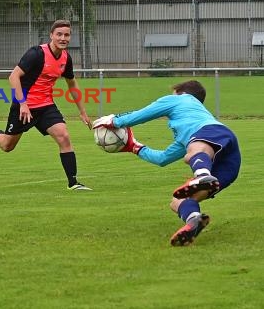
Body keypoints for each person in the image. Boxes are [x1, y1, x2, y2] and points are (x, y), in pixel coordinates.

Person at [92, 80, 241, 246]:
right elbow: (162, 158)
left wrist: (115, 121)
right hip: (230, 164)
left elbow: (144, 114)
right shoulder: (184, 137)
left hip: (214, 133)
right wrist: (135, 147)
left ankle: (203, 176)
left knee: (192, 152)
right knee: (177, 200)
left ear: (180, 92)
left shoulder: (182, 100)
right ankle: (194, 221)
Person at [0, 19, 93, 191]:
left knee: (64, 136)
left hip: (46, 106)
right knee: (7, 145)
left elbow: (72, 83)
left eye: (67, 35)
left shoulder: (66, 58)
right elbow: (13, 77)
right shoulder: (36, 53)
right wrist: (23, 104)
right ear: (51, 36)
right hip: (24, 107)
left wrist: (83, 112)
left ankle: (73, 183)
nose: (63, 38)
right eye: (59, 34)